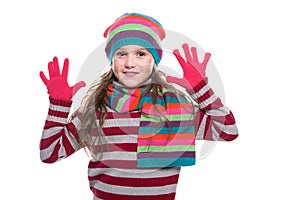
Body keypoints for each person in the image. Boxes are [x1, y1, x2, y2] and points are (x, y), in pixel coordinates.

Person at [39, 12, 238, 200]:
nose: (130, 63)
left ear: (155, 60)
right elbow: (50, 153)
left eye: (141, 54)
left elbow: (227, 130)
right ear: (112, 60)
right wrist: (59, 105)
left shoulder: (177, 109)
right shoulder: (95, 110)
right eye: (121, 53)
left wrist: (200, 89)